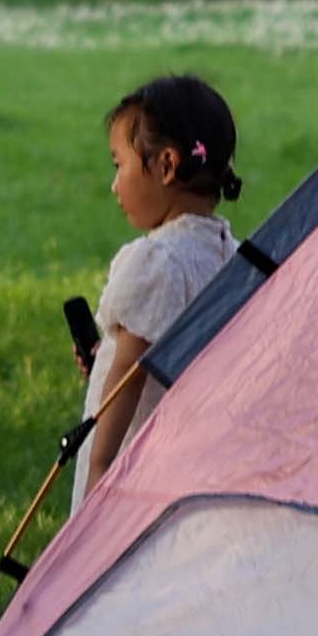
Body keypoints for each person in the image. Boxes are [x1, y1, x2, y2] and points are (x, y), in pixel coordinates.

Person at [78, 76, 248, 485]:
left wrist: (99, 471)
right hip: (192, 469)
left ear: (167, 166)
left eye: (119, 165)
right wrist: (106, 354)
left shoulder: (155, 262)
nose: (114, 185)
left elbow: (127, 377)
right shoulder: (233, 257)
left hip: (132, 475)